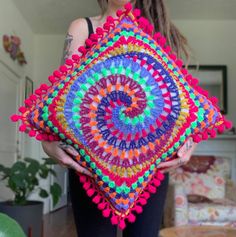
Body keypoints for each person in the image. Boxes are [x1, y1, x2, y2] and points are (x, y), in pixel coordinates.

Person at [42, 0, 197, 236]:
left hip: (149, 170)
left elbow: (181, 106)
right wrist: (47, 141)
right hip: (90, 168)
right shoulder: (82, 28)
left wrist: (190, 141)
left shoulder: (161, 33)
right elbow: (61, 100)